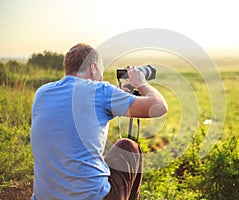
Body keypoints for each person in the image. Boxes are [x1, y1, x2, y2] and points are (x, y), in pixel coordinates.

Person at [30, 43, 168, 200]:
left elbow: (87, 110)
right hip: (91, 197)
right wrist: (141, 83)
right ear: (93, 68)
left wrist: (121, 96)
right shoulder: (100, 91)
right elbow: (159, 107)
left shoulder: (42, 93)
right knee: (128, 147)